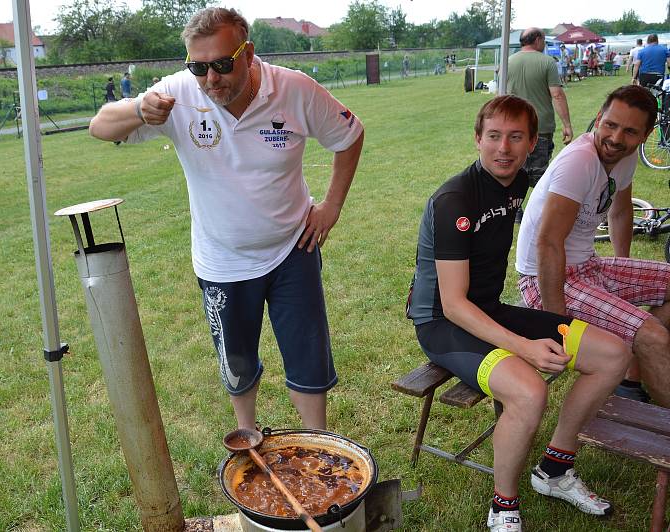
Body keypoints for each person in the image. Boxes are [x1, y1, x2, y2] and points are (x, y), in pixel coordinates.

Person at [89, 7, 364, 430]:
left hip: (293, 248)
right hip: (222, 259)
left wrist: (332, 206)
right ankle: (248, 435)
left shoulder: (294, 89)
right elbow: (100, 128)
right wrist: (139, 110)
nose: (210, 78)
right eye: (198, 67)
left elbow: (349, 135)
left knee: (308, 359)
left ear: (248, 52)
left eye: (221, 63)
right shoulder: (179, 93)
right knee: (237, 364)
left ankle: (318, 441)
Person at [408, 95, 629, 532]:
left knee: (613, 354)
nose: (503, 148)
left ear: (532, 144)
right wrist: (525, 347)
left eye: (515, 138)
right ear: (477, 139)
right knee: (529, 392)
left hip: (489, 310)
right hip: (443, 324)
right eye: (493, 136)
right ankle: (503, 505)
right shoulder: (454, 199)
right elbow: (452, 304)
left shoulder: (518, 183)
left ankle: (554, 470)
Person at [516, 85, 670, 407]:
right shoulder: (580, 162)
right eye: (610, 125)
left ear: (645, 136)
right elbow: (548, 242)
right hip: (545, 280)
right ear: (598, 117)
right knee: (653, 336)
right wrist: (557, 325)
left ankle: (630, 380)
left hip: (588, 266)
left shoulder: (623, 159)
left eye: (629, 131)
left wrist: (624, 270)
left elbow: (621, 210)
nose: (615, 138)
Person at [506, 27, 572, 221]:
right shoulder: (547, 62)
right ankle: (540, 211)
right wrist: (566, 124)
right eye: (543, 40)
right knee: (539, 173)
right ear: (537, 40)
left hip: (512, 126)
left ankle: (515, 210)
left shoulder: (508, 61)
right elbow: (557, 94)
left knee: (515, 168)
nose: (544, 44)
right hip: (539, 127)